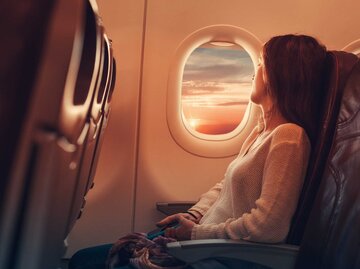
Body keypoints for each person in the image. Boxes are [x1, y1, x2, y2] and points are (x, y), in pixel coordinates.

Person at [69, 34, 327, 269]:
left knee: (84, 263)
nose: (253, 72)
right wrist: (194, 214)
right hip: (204, 241)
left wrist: (194, 234)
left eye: (260, 63)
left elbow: (269, 227)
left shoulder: (289, 137)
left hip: (222, 254)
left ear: (279, 73)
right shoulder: (262, 132)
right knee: (83, 259)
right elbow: (224, 186)